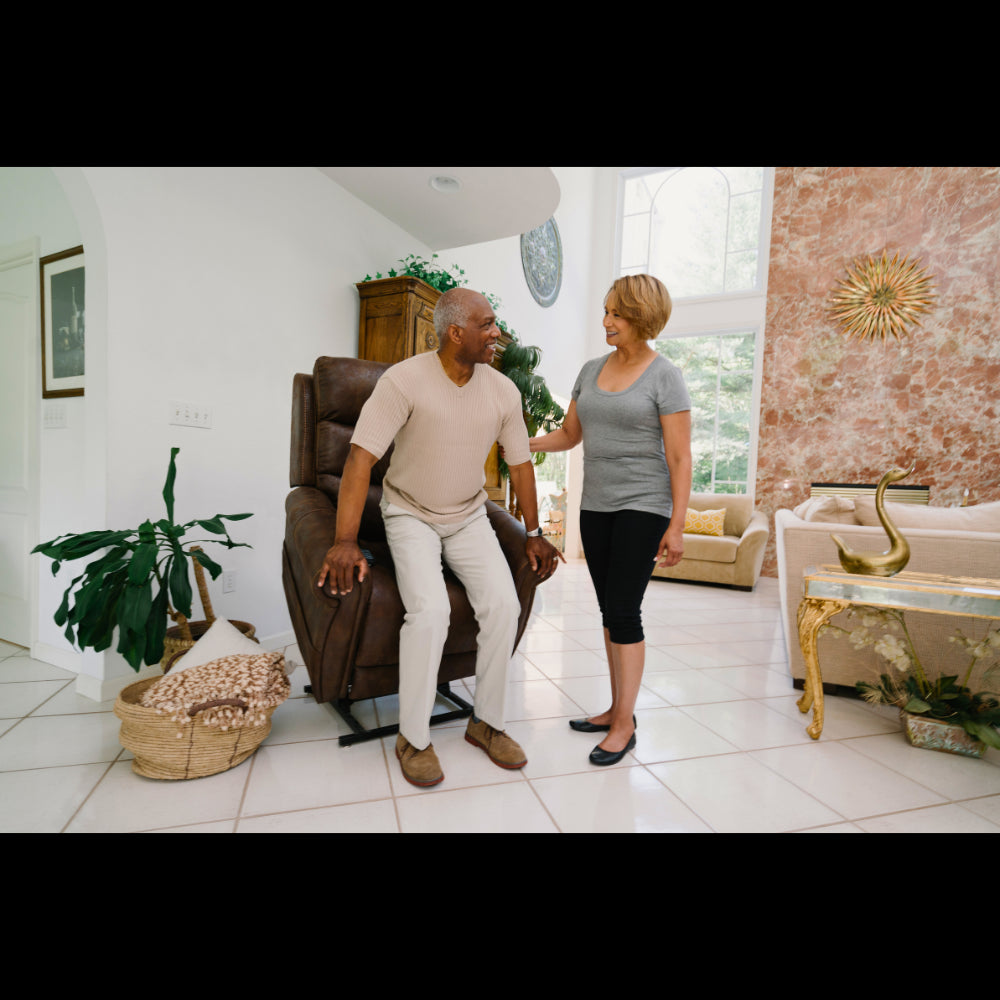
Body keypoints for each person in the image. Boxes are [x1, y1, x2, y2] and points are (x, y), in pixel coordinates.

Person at [317, 287, 564, 788]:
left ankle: (486, 723)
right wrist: (344, 539)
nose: (499, 335)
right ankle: (413, 737)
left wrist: (534, 532)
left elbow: (520, 464)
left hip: (470, 515)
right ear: (456, 333)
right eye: (489, 325)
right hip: (409, 512)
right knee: (430, 611)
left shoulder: (502, 391)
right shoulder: (403, 381)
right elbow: (360, 459)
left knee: (504, 605)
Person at [529, 274, 692, 766]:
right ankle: (615, 709)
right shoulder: (590, 369)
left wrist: (677, 525)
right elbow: (568, 435)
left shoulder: (665, 375)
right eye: (606, 311)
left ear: (642, 318)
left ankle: (625, 724)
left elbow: (680, 457)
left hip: (644, 505)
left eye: (617, 314)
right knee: (609, 611)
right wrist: (521, 442)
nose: (606, 321)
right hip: (596, 506)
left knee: (624, 611)